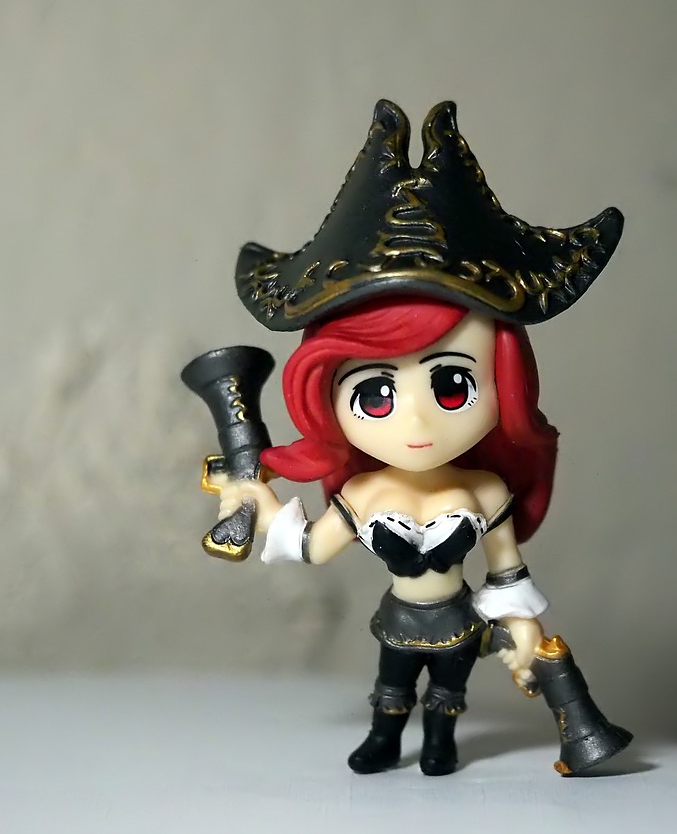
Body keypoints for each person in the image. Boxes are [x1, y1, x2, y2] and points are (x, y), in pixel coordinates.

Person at [211, 99, 626, 776]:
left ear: (506, 382)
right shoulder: (365, 495)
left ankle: (439, 744)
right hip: (401, 619)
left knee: (448, 694)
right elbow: (312, 547)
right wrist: (256, 501)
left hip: (460, 622)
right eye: (375, 394)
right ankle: (385, 737)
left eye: (453, 386)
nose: (416, 421)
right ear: (325, 394)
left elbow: (507, 573)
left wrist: (525, 630)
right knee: (392, 686)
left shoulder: (484, 491)